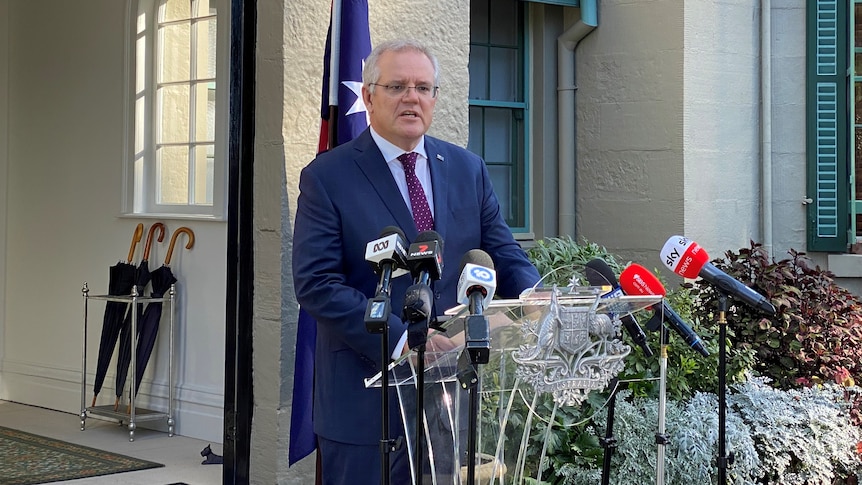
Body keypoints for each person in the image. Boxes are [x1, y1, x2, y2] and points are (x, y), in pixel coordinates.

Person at [292, 38, 541, 485]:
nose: (412, 97)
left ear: (435, 98)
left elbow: (503, 250)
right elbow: (316, 283)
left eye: (424, 87)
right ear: (368, 96)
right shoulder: (328, 176)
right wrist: (404, 340)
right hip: (365, 403)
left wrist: (534, 295)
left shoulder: (467, 168)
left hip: (450, 398)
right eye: (398, 86)